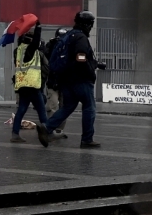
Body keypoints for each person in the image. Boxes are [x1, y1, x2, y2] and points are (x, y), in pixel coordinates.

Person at [37, 11, 106, 148]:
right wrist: (90, 73)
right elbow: (80, 57)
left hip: (66, 80)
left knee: (68, 107)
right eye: (90, 25)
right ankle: (87, 139)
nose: (91, 28)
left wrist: (95, 64)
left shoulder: (68, 35)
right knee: (89, 108)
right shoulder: (80, 37)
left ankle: (47, 127)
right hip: (80, 79)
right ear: (86, 24)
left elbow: (73, 59)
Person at [10, 24, 49, 143]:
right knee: (42, 111)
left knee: (21, 109)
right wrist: (38, 27)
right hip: (32, 85)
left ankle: (15, 134)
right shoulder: (30, 51)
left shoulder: (18, 51)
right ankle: (48, 133)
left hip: (22, 85)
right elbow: (36, 42)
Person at [39, 27, 69, 136]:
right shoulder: (51, 45)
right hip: (53, 81)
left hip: (65, 82)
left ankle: (59, 129)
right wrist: (52, 45)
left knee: (64, 107)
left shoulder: (70, 47)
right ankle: (50, 128)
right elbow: (46, 57)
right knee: (52, 105)